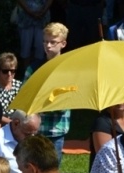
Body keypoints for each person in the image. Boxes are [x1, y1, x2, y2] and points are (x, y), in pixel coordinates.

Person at [24, 23, 71, 165]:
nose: (48, 46)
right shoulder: (34, 68)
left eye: (53, 42)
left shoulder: (69, 69)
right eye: (45, 41)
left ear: (63, 43)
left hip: (56, 130)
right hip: (35, 129)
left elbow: (64, 103)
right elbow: (25, 97)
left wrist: (40, 101)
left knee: (52, 170)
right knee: (34, 168)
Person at [89, 102, 124, 169]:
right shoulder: (102, 123)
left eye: (122, 97)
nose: (120, 102)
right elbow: (105, 158)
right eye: (116, 97)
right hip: (110, 172)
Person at [15, 0, 51, 67]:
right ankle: (26, 73)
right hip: (25, 19)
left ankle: (39, 71)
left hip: (42, 19)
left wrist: (43, 11)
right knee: (25, 48)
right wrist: (30, 12)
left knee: (41, 48)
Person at [0, 53, 22, 122]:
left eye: (12, 71)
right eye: (5, 71)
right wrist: (11, 123)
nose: (9, 74)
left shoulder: (19, 85)